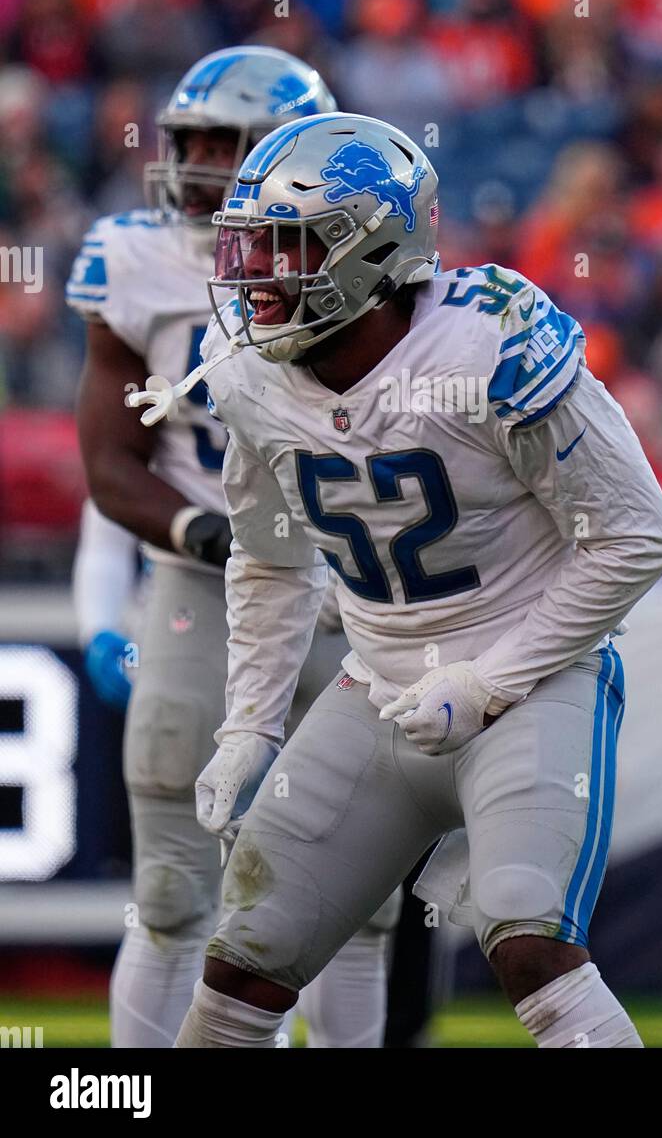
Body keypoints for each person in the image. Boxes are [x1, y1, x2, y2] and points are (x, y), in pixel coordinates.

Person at [155, 110, 662, 1049]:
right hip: (378, 687)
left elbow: (633, 536)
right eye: (252, 247)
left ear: (372, 250)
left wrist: (489, 682)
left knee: (530, 942)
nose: (255, 277)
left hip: (532, 683)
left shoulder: (489, 343)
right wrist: (248, 730)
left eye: (289, 247)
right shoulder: (248, 380)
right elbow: (272, 562)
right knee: (243, 960)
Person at [67, 50, 398, 1048]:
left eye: (230, 142)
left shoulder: (364, 256)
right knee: (173, 886)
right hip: (201, 585)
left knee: (356, 897)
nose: (204, 163)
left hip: (347, 583)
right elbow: (111, 462)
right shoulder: (135, 260)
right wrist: (206, 530)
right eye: (193, 141)